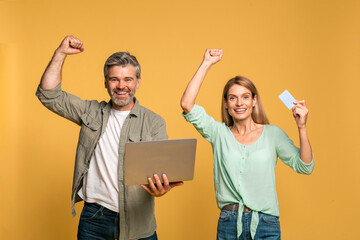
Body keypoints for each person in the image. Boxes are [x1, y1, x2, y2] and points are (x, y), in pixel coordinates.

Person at [36, 35, 183, 240]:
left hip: (138, 220)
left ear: (138, 82)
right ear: (106, 82)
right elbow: (48, 94)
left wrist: (161, 188)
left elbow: (161, 171)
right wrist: (60, 53)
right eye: (114, 79)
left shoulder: (154, 122)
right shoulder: (91, 112)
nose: (121, 85)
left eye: (127, 79)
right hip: (94, 219)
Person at [180, 49, 314, 240]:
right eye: (232, 98)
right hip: (229, 224)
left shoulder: (272, 134)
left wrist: (302, 127)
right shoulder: (218, 133)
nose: (239, 103)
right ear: (226, 104)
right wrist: (207, 63)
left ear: (254, 101)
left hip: (266, 225)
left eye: (245, 97)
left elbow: (305, 166)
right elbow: (187, 104)